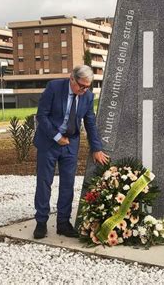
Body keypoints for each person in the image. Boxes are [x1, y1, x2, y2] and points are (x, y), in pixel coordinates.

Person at [33, 65, 109, 239]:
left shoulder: (88, 96)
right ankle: (41, 222)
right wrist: (56, 136)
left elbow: (90, 122)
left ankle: (63, 223)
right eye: (81, 86)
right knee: (44, 182)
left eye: (87, 87)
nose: (83, 90)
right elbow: (41, 116)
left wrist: (96, 148)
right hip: (49, 142)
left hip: (71, 144)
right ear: (72, 79)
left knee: (68, 184)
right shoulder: (54, 87)